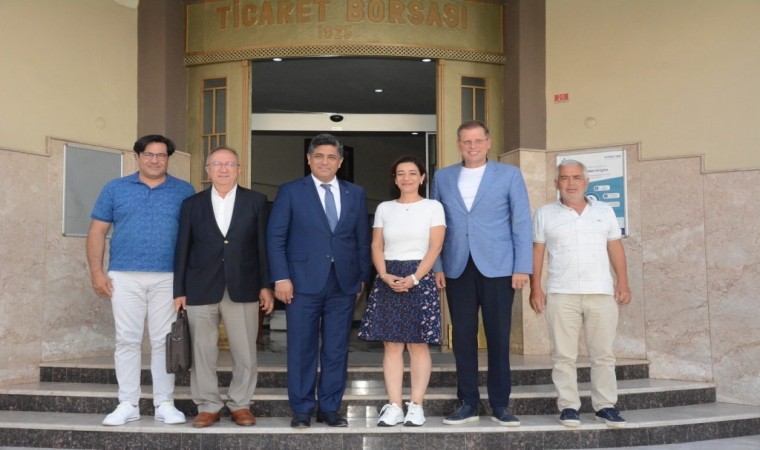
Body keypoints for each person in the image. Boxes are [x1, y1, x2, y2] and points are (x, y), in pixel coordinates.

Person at [86, 134, 195, 426]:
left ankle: (164, 403)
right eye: (149, 154)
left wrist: (187, 281)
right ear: (137, 157)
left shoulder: (184, 190)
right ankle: (128, 403)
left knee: (164, 341)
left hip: (168, 277)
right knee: (127, 340)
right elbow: (97, 231)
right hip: (124, 275)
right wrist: (97, 272)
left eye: (161, 155)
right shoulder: (115, 188)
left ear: (168, 159)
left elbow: (193, 237)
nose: (155, 160)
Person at [431, 120, 532, 427]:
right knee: (462, 338)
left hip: (499, 267)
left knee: (499, 337)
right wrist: (437, 266)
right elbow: (435, 225)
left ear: (488, 143)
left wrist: (522, 266)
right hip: (457, 267)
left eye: (478, 140)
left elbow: (521, 222)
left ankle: (500, 404)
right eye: (466, 141)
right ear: (458, 145)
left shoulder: (509, 175)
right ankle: (468, 402)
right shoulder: (442, 177)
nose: (472, 146)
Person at [267, 133, 371, 428]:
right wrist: (281, 277)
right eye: (319, 156)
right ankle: (301, 408)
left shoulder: (355, 193)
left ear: (340, 162)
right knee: (302, 348)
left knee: (337, 349)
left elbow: (362, 239)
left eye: (331, 157)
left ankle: (329, 408)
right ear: (309, 159)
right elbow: (275, 238)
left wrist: (362, 277)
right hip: (300, 283)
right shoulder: (290, 191)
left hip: (343, 283)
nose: (325, 162)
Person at [173, 146, 275, 428]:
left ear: (239, 169)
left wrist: (265, 285)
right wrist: (179, 290)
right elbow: (182, 249)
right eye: (217, 164)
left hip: (243, 285)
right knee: (202, 351)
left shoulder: (256, 201)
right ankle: (208, 405)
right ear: (208, 170)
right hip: (200, 286)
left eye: (229, 164)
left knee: (245, 350)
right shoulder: (192, 204)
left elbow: (263, 247)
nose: (223, 169)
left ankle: (240, 403)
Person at [529, 159, 632, 428]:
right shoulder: (544, 213)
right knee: (563, 356)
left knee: (603, 355)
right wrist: (536, 287)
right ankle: (568, 407)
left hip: (601, 292)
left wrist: (622, 282)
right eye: (565, 178)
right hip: (561, 293)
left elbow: (615, 248)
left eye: (576, 177)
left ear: (586, 182)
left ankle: (605, 406)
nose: (571, 183)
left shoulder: (605, 211)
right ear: (557, 183)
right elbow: (537, 252)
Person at [358, 156, 446, 427]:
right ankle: (394, 405)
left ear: (422, 177)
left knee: (418, 344)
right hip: (389, 276)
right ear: (395, 179)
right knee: (392, 345)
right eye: (401, 173)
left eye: (412, 173)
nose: (406, 178)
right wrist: (384, 275)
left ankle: (416, 405)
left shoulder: (433, 207)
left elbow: (435, 246)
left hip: (420, 275)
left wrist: (416, 278)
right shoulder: (385, 208)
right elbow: (376, 245)